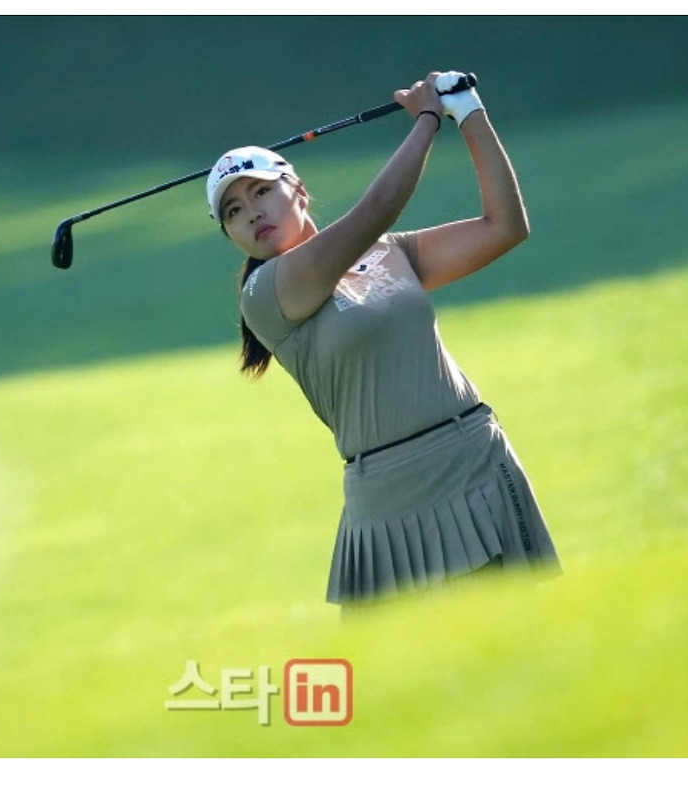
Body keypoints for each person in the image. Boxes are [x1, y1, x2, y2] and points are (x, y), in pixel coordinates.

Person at [205, 70, 561, 608]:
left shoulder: (389, 252)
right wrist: (426, 119)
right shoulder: (266, 293)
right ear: (229, 234)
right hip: (392, 497)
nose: (252, 212)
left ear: (297, 190)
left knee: (517, 637)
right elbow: (373, 213)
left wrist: (468, 111)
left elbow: (505, 227)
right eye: (233, 211)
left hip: (475, 462)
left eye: (261, 191)